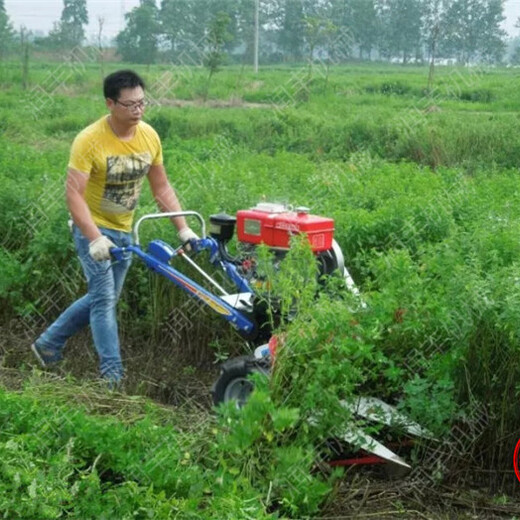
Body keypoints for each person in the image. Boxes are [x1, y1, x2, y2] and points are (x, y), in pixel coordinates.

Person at [31, 69, 198, 385]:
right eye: (130, 105)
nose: (138, 110)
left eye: (142, 103)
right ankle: (112, 375)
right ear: (110, 103)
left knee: (101, 298)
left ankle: (48, 343)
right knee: (104, 299)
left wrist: (183, 228)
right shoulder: (89, 140)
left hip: (124, 230)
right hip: (92, 229)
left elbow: (161, 188)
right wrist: (94, 238)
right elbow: (73, 194)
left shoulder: (149, 136)